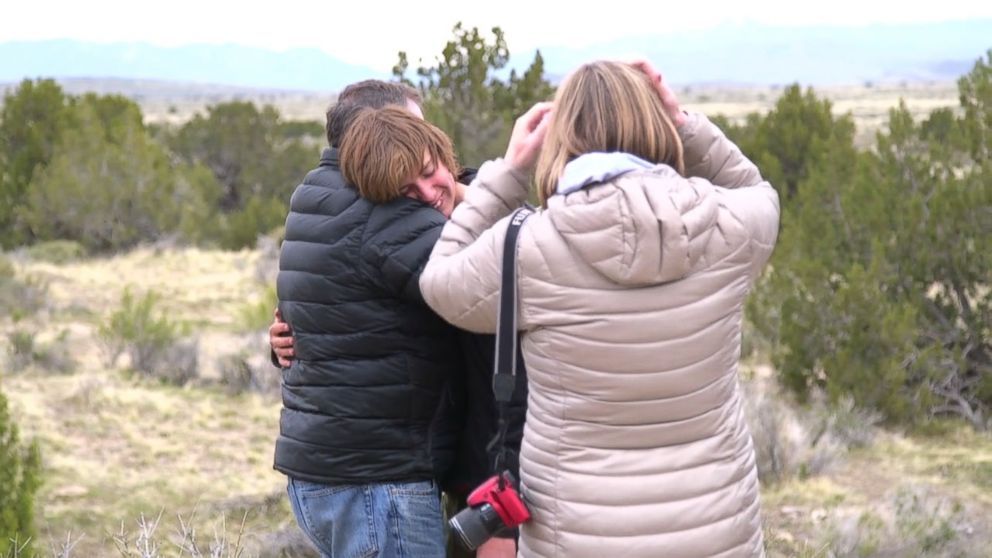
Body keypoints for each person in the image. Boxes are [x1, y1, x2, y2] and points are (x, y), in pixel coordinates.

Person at [418, 60, 779, 557]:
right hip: (717, 530)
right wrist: (684, 122)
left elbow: (439, 284)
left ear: (559, 138)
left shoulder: (526, 248)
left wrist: (508, 172)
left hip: (578, 536)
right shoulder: (728, 227)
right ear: (657, 122)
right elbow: (760, 194)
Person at [271, 79, 526, 558]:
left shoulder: (316, 193)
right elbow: (503, 278)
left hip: (327, 469)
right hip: (378, 480)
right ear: (371, 140)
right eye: (409, 128)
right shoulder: (386, 212)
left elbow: (323, 307)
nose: (421, 136)